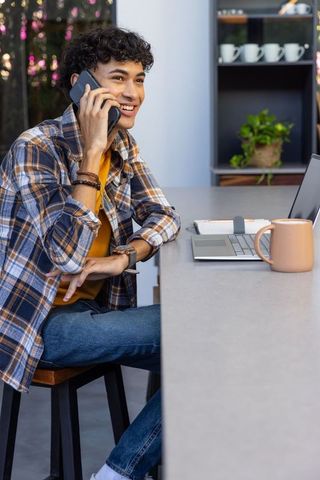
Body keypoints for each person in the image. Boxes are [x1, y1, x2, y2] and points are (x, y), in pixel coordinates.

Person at [0, 26, 180, 480]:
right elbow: (64, 255)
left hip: (92, 311)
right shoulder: (35, 149)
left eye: (139, 79)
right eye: (118, 78)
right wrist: (91, 153)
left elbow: (164, 216)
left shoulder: (124, 145)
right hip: (39, 328)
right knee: (199, 335)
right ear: (83, 84)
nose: (133, 92)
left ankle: (120, 471)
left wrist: (122, 257)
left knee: (207, 348)